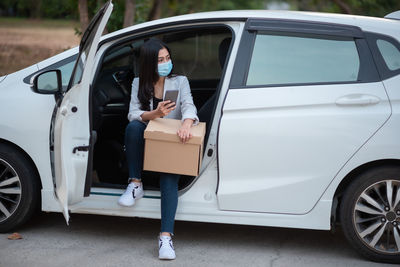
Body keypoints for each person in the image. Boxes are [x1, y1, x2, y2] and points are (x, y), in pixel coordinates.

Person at [118, 38, 199, 260]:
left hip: (171, 141)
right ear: (148, 64)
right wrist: (156, 114)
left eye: (168, 58)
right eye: (160, 60)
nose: (166, 63)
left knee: (169, 177)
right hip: (146, 140)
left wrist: (186, 123)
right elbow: (133, 112)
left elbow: (189, 106)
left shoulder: (180, 81)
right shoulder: (138, 83)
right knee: (133, 127)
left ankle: (165, 237)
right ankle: (135, 184)